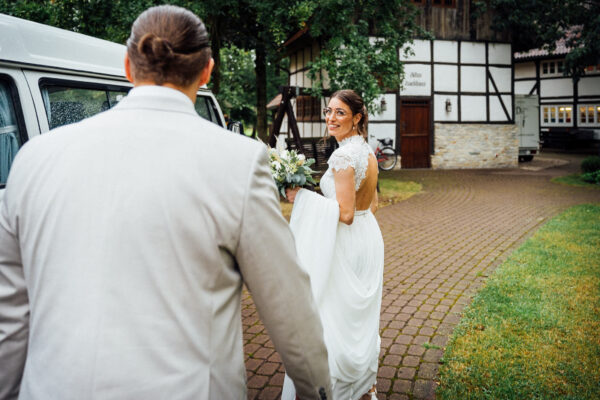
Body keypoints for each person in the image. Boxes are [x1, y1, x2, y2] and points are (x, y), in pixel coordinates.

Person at [0, 5, 331, 400]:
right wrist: (319, 393)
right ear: (207, 70)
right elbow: (288, 308)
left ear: (128, 66)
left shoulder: (34, 157)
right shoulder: (239, 163)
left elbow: (10, 317)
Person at [283, 90, 384, 400]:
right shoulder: (366, 150)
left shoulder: (342, 156)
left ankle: (338, 387)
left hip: (347, 242)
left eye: (340, 113)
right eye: (329, 111)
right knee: (358, 318)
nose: (331, 118)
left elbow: (345, 214)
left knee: (334, 316)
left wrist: (302, 197)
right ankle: (363, 380)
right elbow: (373, 204)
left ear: (357, 118)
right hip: (369, 237)